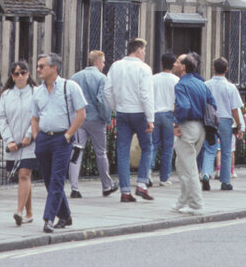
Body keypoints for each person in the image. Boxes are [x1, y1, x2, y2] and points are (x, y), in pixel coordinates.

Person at [30, 53, 86, 233]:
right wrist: (36, 136)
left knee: (57, 179)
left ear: (54, 68)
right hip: (44, 139)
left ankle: (48, 218)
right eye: (38, 66)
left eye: (42, 66)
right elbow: (35, 117)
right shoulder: (37, 91)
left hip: (62, 138)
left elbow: (81, 113)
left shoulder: (70, 87)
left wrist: (69, 135)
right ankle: (65, 215)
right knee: (48, 180)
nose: (38, 69)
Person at [103, 38, 155, 202]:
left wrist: (115, 107)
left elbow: (107, 91)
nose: (145, 54)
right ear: (139, 50)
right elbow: (146, 94)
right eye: (144, 50)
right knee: (147, 147)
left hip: (122, 112)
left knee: (123, 151)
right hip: (139, 112)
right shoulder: (144, 68)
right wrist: (150, 118)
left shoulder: (115, 66)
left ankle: (125, 191)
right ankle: (141, 184)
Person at [68, 50, 116, 198]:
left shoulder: (75, 77)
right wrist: (106, 118)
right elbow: (102, 101)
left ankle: (74, 188)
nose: (104, 64)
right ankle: (107, 186)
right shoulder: (102, 78)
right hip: (96, 119)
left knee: (76, 151)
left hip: (79, 120)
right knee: (101, 153)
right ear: (97, 62)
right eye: (103, 61)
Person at [172, 54, 215, 215]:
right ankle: (182, 201)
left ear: (183, 67)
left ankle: (196, 204)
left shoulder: (180, 85)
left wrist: (176, 123)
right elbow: (212, 104)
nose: (174, 64)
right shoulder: (201, 84)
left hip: (187, 127)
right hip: (201, 127)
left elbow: (183, 106)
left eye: (177, 62)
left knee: (188, 167)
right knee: (181, 164)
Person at [0, 60, 37, 226]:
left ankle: (19, 212)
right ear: (12, 77)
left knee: (24, 174)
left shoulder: (36, 93)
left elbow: (37, 116)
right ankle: (29, 212)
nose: (20, 76)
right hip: (13, 144)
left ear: (28, 74)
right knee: (23, 178)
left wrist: (29, 135)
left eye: (23, 72)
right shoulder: (6, 95)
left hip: (31, 143)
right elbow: (1, 118)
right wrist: (9, 140)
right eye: (16, 74)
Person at [201, 57, 243, 192]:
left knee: (210, 148)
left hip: (210, 120)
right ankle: (225, 181)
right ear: (226, 70)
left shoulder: (206, 85)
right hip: (225, 120)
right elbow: (235, 109)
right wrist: (239, 125)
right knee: (226, 151)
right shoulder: (230, 87)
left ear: (213, 68)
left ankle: (206, 173)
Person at [149, 52, 179, 187]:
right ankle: (164, 178)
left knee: (152, 145)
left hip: (154, 113)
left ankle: (147, 172)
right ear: (173, 65)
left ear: (161, 63)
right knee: (168, 147)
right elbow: (177, 101)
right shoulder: (176, 81)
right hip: (169, 114)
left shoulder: (153, 78)